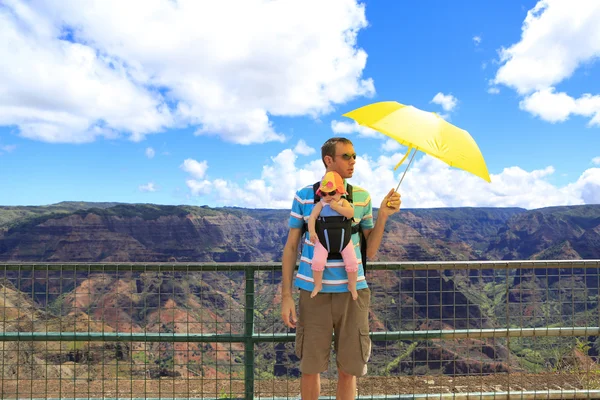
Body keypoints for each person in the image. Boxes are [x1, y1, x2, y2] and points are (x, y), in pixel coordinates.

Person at [280, 137, 401, 400]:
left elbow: (369, 249)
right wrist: (286, 296)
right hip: (313, 292)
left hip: (353, 292)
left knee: (349, 369)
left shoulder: (361, 197)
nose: (353, 161)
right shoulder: (304, 196)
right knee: (310, 368)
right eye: (346, 156)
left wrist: (382, 216)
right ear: (328, 160)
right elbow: (291, 248)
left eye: (355, 156)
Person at [308, 170, 358, 300]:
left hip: (344, 240)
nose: (328, 196)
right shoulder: (321, 204)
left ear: (341, 191)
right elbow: (312, 217)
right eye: (324, 194)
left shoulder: (343, 202)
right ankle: (318, 285)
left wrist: (337, 208)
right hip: (323, 240)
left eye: (331, 193)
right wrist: (312, 232)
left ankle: (352, 285)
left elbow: (350, 213)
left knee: (352, 262)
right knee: (317, 261)